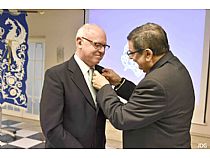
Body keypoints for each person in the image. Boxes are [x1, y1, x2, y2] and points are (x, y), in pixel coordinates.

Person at [92, 22, 195, 148]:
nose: (131, 59)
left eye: (131, 53)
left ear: (148, 54)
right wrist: (120, 82)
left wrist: (104, 88)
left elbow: (121, 118)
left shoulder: (156, 82)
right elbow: (147, 102)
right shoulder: (174, 67)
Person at [40, 24, 110, 148]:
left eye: (104, 46)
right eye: (97, 45)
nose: (102, 51)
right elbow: (51, 127)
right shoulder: (56, 75)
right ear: (79, 42)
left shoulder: (103, 74)